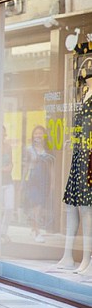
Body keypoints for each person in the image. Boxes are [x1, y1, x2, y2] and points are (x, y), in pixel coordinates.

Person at [60, 71, 92, 272]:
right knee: (72, 205)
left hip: (89, 157)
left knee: (86, 208)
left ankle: (87, 259)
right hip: (79, 154)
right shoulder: (85, 95)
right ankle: (67, 255)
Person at [21, 125, 54, 243]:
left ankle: (33, 227)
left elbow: (51, 167)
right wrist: (22, 181)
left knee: (39, 205)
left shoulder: (47, 149)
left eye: (40, 133)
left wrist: (52, 183)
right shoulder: (29, 149)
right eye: (36, 133)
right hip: (33, 181)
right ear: (33, 136)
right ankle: (37, 232)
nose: (38, 135)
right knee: (37, 206)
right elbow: (26, 165)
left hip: (44, 180)